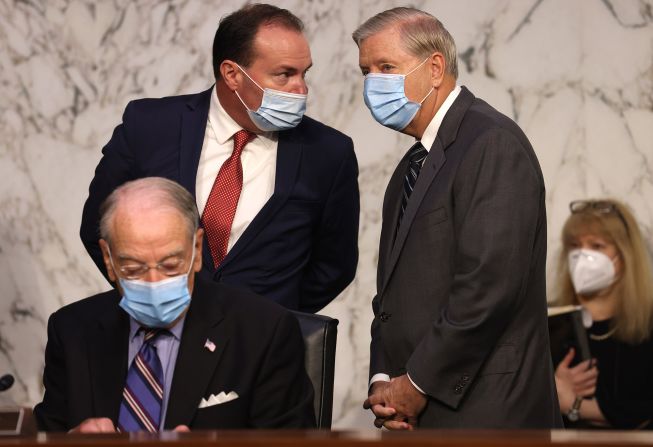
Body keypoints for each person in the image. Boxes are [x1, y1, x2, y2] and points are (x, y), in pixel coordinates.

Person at [352, 7, 561, 429]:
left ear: (434, 68)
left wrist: (416, 383)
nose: (373, 83)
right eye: (366, 71)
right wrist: (384, 380)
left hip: (486, 414)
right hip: (418, 414)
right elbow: (392, 296)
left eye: (386, 67)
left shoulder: (491, 142)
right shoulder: (413, 162)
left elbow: (488, 286)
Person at [80, 4, 359, 313]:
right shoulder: (149, 126)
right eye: (284, 75)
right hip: (160, 337)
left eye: (304, 74)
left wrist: (268, 324)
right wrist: (150, 303)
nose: (301, 89)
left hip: (264, 348)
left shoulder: (328, 152)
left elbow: (334, 266)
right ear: (232, 74)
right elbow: (99, 228)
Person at [35, 177, 315, 432]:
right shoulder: (73, 330)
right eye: (133, 268)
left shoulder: (263, 332)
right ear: (108, 260)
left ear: (196, 250)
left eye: (170, 266)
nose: (154, 281)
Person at [553, 199, 653, 429]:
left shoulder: (648, 325)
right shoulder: (550, 322)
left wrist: (573, 404)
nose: (581, 256)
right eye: (575, 246)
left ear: (625, 254)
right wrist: (552, 387)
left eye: (597, 246)